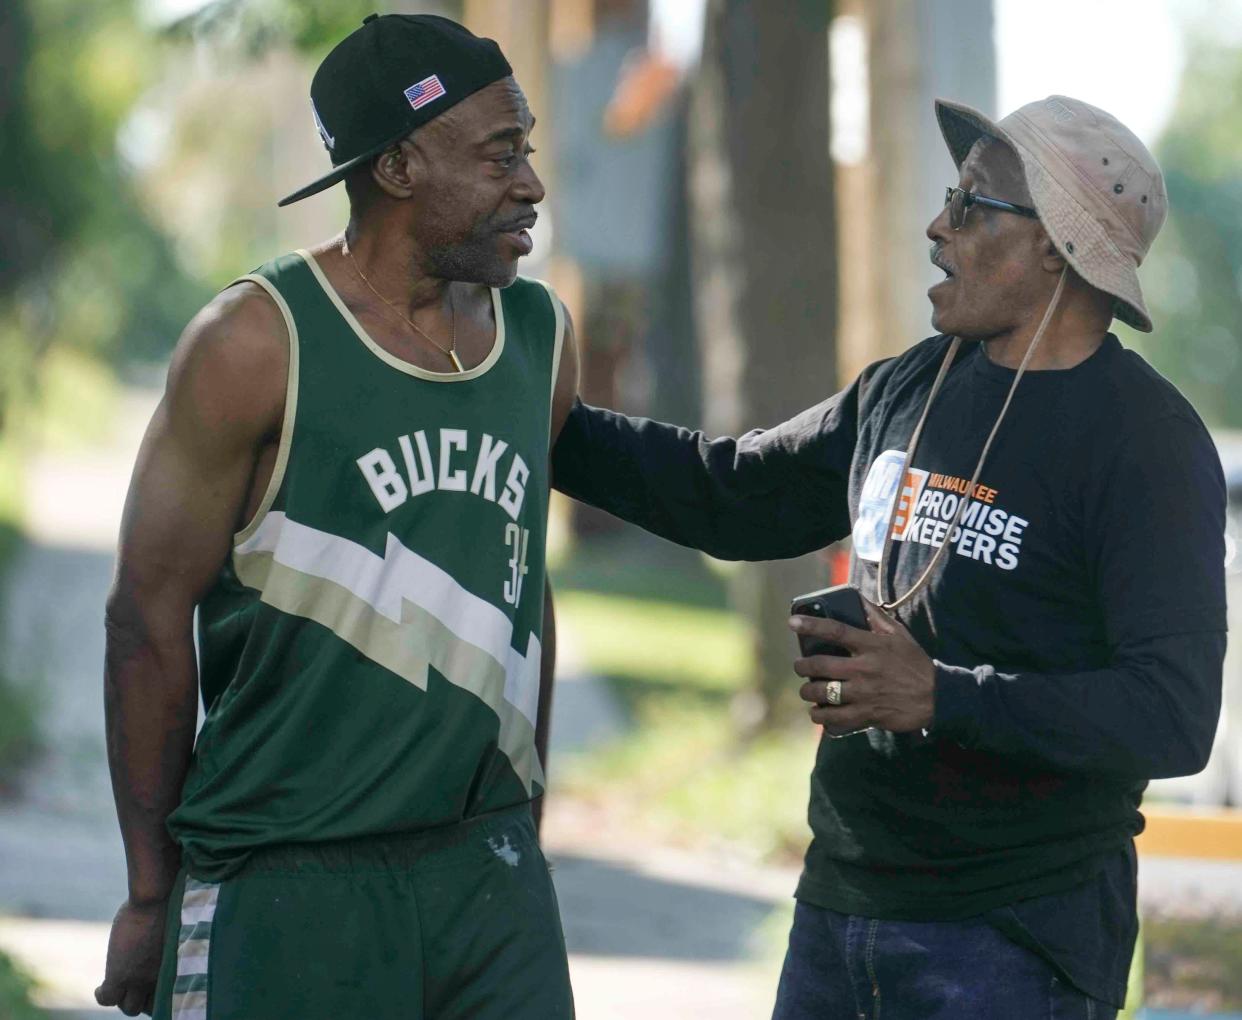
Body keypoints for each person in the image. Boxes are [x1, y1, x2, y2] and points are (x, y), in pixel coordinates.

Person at [551, 95, 1226, 1019]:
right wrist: (545, 426)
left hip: (1014, 936)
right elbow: (735, 493)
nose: (936, 224)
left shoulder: (1147, 445)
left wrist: (942, 694)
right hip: (842, 906)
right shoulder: (913, 380)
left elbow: (1172, 714)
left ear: (1056, 247)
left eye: (972, 205)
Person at [95, 14, 580, 1019]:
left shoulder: (538, 336)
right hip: (287, 874)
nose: (530, 184)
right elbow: (144, 620)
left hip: (486, 877)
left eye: (525, 151)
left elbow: (520, 581)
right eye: (499, 155)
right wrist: (150, 892)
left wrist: (524, 822)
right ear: (400, 166)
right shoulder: (254, 343)